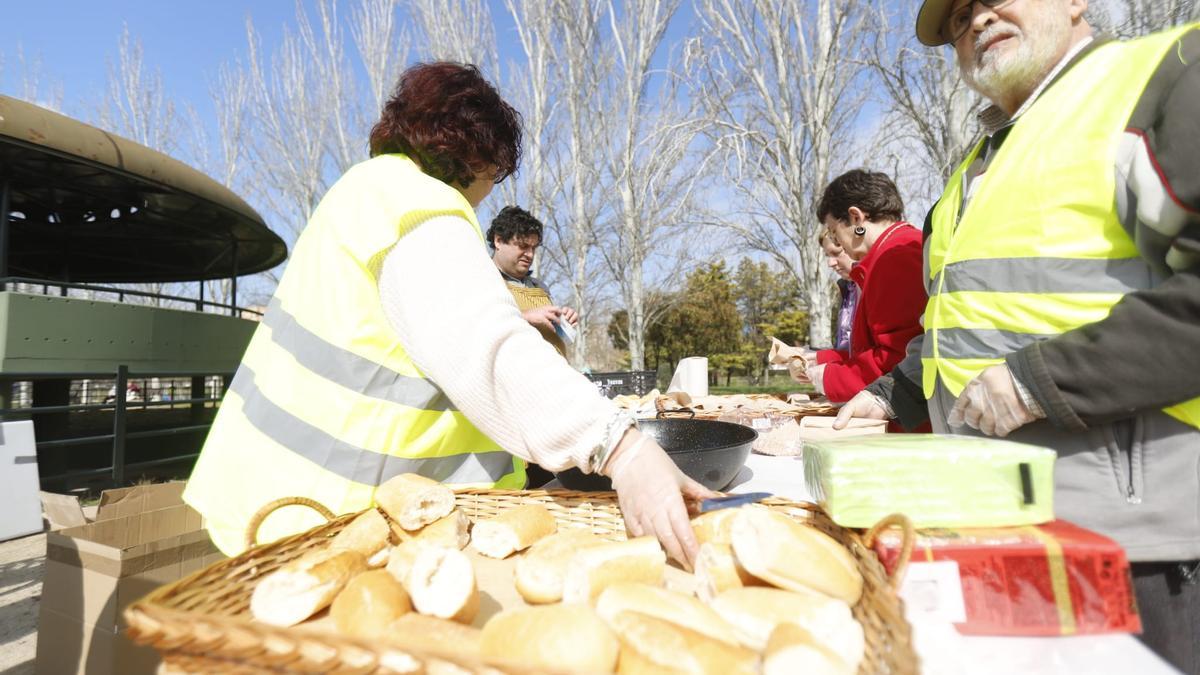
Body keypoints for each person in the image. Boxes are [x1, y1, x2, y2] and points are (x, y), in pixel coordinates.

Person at [183, 62, 715, 568]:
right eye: (495, 174)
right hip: (337, 526)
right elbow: (487, 348)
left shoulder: (361, 191)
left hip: (272, 501)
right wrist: (622, 451)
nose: (490, 192)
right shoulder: (417, 206)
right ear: (476, 155)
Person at [835, 2, 1200, 669]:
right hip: (988, 531)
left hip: (1132, 553)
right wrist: (895, 392)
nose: (975, 19)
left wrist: (1040, 382)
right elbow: (960, 321)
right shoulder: (975, 164)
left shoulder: (1165, 75)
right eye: (957, 17)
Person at [790, 171, 927, 414]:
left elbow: (899, 357)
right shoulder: (892, 252)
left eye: (834, 232)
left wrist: (832, 377)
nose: (837, 241)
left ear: (856, 219)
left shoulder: (895, 257)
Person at [486, 205, 578, 356]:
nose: (529, 255)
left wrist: (564, 320)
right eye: (523, 246)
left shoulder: (540, 287)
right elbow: (473, 327)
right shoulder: (482, 279)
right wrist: (525, 317)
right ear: (498, 241)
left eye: (533, 248)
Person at [822, 231, 859, 352]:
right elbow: (845, 349)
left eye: (836, 253)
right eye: (828, 256)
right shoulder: (846, 289)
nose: (830, 263)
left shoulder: (872, 286)